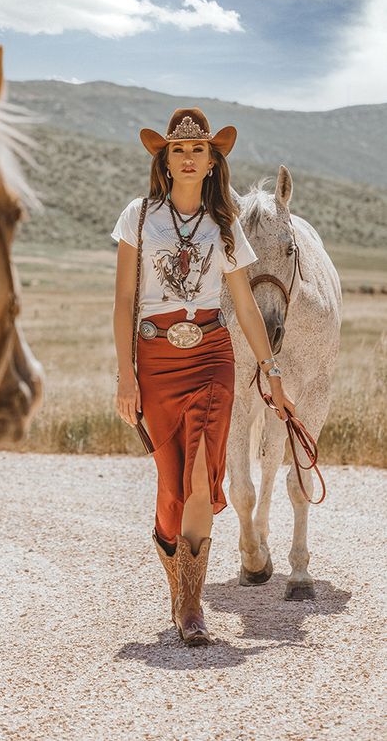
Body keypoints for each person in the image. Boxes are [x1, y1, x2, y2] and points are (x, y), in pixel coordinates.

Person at [110, 107, 296, 646]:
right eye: (178, 151)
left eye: (198, 151)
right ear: (165, 162)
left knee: (198, 477)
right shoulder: (139, 217)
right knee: (172, 485)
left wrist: (272, 370)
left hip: (212, 353)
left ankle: (191, 609)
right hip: (156, 357)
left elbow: (244, 304)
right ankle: (178, 578)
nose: (189, 158)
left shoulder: (225, 225)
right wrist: (126, 374)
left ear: (213, 163)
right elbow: (123, 300)